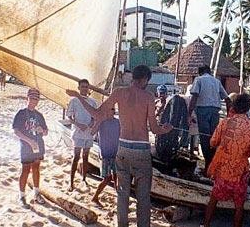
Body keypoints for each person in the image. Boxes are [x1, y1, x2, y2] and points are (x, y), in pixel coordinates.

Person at [66, 65, 173, 227]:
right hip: (141, 149)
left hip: (122, 148)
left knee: (122, 193)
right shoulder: (149, 97)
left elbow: (96, 114)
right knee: (143, 196)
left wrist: (78, 97)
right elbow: (155, 129)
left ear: (133, 77)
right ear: (145, 79)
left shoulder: (118, 92)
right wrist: (166, 129)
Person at [203, 93, 250, 227]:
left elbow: (212, 143)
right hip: (240, 172)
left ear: (234, 107)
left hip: (223, 169)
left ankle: (206, 224)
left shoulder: (225, 122)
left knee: (214, 199)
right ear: (248, 108)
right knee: (239, 205)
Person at [188, 65, 231, 175]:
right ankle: (212, 166)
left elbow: (194, 96)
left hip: (202, 110)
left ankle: (208, 166)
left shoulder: (199, 80)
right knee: (214, 139)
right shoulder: (216, 81)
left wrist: (189, 113)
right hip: (215, 111)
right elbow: (227, 98)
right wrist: (230, 115)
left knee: (205, 138)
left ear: (200, 72)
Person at [12, 88, 48, 208]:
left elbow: (46, 132)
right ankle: (21, 196)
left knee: (36, 169)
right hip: (26, 147)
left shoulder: (39, 115)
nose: (34, 101)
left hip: (38, 145)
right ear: (27, 98)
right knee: (25, 170)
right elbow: (16, 131)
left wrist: (42, 130)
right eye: (32, 98)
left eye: (36, 99)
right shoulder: (21, 113)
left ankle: (36, 193)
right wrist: (29, 141)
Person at [66, 79, 98, 191]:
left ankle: (84, 179)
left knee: (85, 157)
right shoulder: (74, 100)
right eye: (83, 86)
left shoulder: (93, 102)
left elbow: (95, 117)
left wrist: (90, 124)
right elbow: (69, 117)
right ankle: (71, 182)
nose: (85, 89)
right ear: (78, 88)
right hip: (78, 133)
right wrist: (78, 124)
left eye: (86, 87)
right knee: (76, 157)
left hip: (88, 134)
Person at [91, 108, 120, 207]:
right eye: (108, 109)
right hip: (106, 154)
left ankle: (119, 199)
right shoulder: (101, 122)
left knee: (117, 177)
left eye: (111, 109)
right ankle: (95, 197)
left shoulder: (118, 122)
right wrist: (98, 121)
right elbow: (92, 132)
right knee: (107, 178)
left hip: (116, 153)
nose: (109, 111)